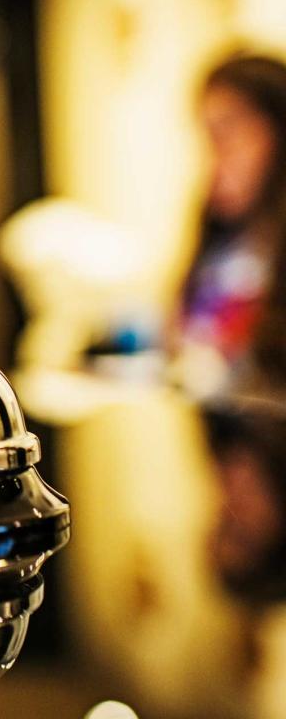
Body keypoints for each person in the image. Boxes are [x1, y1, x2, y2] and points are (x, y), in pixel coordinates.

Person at [176, 53, 286, 601]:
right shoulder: (224, 238)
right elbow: (188, 336)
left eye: (228, 132)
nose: (215, 155)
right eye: (208, 136)